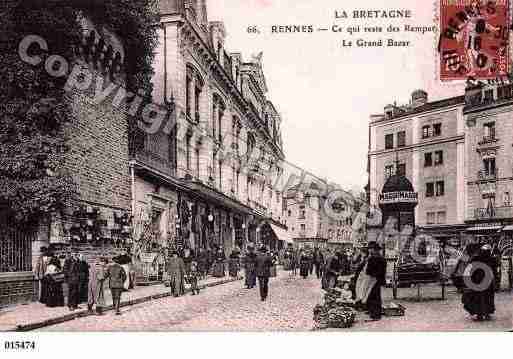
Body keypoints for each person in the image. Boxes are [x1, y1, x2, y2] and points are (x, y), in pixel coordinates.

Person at [462, 244, 497, 321]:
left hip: (480, 281)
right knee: (484, 298)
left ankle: (482, 314)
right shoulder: (491, 259)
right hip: (483, 281)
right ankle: (484, 314)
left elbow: (469, 268)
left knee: (481, 298)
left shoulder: (477, 258)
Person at [365, 242, 387, 321]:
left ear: (375, 250)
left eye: (371, 249)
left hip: (374, 280)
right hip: (377, 279)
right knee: (375, 296)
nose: (370, 250)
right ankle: (374, 313)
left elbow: (368, 271)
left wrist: (373, 274)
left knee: (374, 296)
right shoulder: (381, 258)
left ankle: (375, 314)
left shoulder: (373, 259)